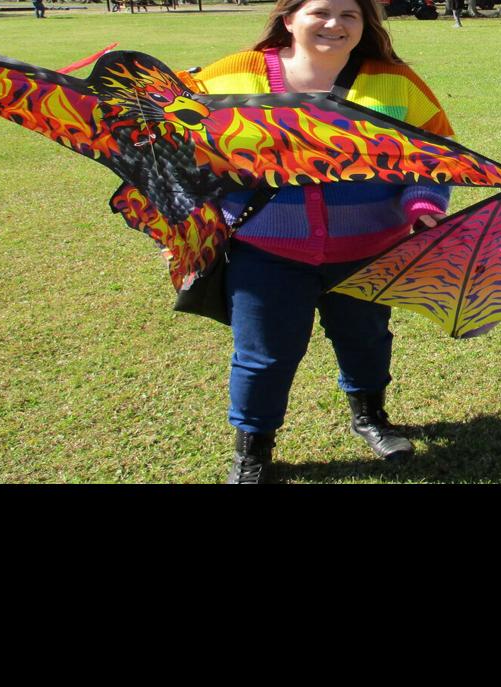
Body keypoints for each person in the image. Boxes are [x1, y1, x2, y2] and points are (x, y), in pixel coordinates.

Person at [192, 0, 455, 483]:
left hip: (370, 250)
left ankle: (371, 418)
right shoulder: (229, 77)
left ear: (364, 24)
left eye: (349, 14)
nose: (334, 24)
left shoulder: (394, 81)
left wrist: (422, 207)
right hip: (265, 250)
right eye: (320, 11)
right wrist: (198, 221)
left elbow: (436, 156)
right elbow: (183, 154)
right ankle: (252, 454)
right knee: (262, 355)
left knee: (367, 341)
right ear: (289, 18)